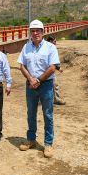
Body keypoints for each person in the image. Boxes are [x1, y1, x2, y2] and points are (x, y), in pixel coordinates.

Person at [17, 20, 60, 158]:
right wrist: (31, 79)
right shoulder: (26, 47)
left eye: (38, 30)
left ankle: (48, 144)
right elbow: (22, 65)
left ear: (43, 32)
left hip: (46, 84)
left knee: (47, 114)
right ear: (30, 32)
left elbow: (53, 67)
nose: (35, 33)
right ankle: (31, 140)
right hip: (30, 85)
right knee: (31, 113)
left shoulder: (50, 47)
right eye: (33, 31)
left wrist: (38, 80)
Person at [46, 36, 65, 105]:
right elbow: (52, 61)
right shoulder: (50, 48)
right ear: (51, 41)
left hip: (45, 70)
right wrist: (58, 68)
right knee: (55, 84)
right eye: (55, 41)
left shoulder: (45, 47)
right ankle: (56, 99)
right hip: (49, 70)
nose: (56, 43)